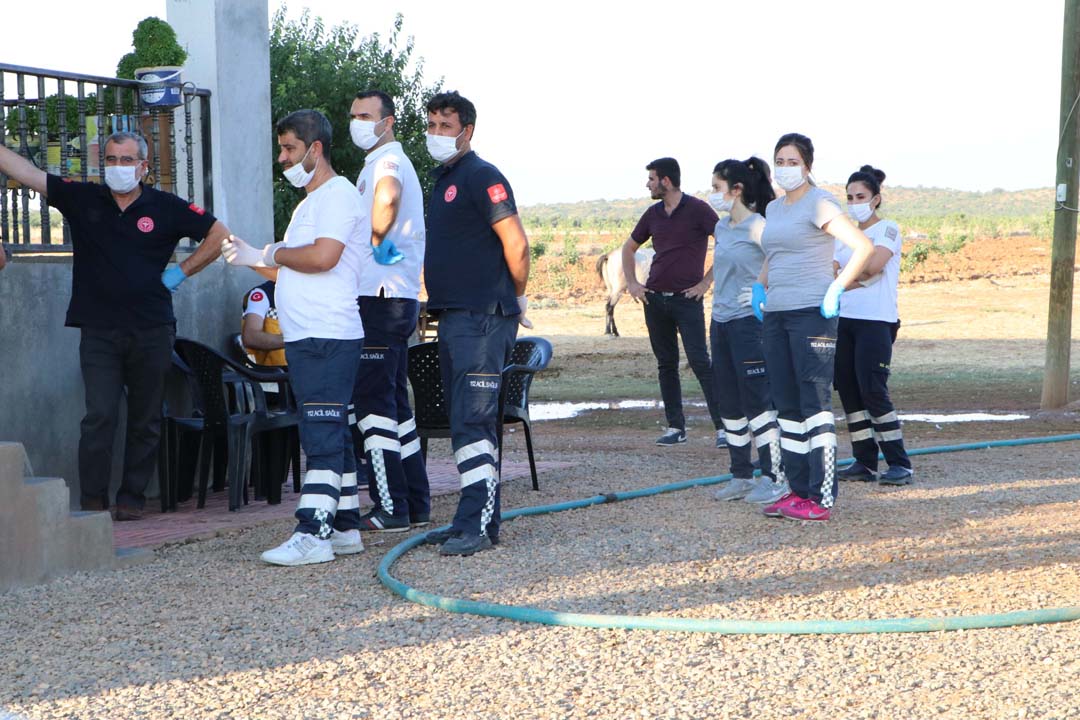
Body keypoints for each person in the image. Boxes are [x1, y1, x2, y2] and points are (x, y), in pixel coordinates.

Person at [0, 133, 231, 519]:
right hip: (99, 330)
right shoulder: (83, 197)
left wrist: (181, 272)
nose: (118, 167)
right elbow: (27, 172)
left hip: (152, 327)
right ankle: (93, 500)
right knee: (99, 416)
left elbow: (219, 235)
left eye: (127, 160)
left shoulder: (166, 207)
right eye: (111, 159)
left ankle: (132, 499)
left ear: (143, 167)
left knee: (145, 418)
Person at [223, 109, 367, 565]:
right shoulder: (308, 204)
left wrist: (266, 251)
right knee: (332, 433)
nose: (283, 158)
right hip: (307, 336)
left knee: (321, 433)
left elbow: (323, 257)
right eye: (281, 149)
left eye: (289, 149)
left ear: (315, 149)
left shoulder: (339, 196)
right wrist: (250, 258)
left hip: (327, 334)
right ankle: (345, 527)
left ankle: (313, 533)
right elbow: (290, 268)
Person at [419, 91, 531, 557]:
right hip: (453, 317)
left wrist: (517, 295)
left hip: (483, 318)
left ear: (467, 131)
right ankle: (469, 517)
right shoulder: (443, 179)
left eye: (446, 126)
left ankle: (480, 525)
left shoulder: (483, 176)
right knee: (463, 421)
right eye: (431, 125)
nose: (436, 134)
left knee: (476, 421)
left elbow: (517, 244)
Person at [750, 133, 874, 522]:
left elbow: (863, 248)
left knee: (813, 405)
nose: (786, 168)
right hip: (778, 313)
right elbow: (775, 252)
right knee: (785, 405)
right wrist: (760, 284)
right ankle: (796, 490)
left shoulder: (819, 202)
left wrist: (837, 287)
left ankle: (821, 498)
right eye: (780, 161)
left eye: (792, 161)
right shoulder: (774, 208)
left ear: (807, 165)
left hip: (811, 313)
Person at [347, 89, 431, 532]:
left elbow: (388, 197)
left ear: (388, 121)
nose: (358, 122)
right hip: (392, 298)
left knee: (373, 405)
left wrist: (378, 239)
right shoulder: (377, 161)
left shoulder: (388, 162)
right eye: (354, 115)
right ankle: (415, 502)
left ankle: (389, 506)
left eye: (366, 115)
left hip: (379, 298)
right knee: (396, 406)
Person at [622, 158, 726, 448]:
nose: (648, 184)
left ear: (666, 181)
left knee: (700, 361)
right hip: (655, 300)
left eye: (652, 179)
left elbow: (727, 242)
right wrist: (632, 283)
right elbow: (628, 247)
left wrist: (706, 282)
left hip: (687, 301)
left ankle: (724, 428)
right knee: (666, 364)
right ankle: (675, 427)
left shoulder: (698, 210)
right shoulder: (652, 213)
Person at [705, 157, 789, 505]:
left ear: (736, 190)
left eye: (716, 188)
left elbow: (781, 263)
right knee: (729, 401)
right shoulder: (722, 228)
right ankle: (740, 475)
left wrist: (762, 292)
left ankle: (774, 476)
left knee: (758, 400)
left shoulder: (759, 226)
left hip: (748, 324)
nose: (712, 195)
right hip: (720, 322)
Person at [833, 165, 913, 485]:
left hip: (875, 323)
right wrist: (856, 273)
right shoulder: (846, 238)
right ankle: (864, 461)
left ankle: (899, 462)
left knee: (873, 390)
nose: (855, 202)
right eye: (850, 197)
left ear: (876, 198)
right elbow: (840, 271)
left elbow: (875, 266)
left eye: (861, 196)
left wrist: (849, 274)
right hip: (844, 321)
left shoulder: (887, 230)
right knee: (850, 393)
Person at [240, 280, 286, 367]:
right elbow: (251, 337)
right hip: (275, 373)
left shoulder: (315, 295)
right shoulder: (264, 293)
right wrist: (296, 339)